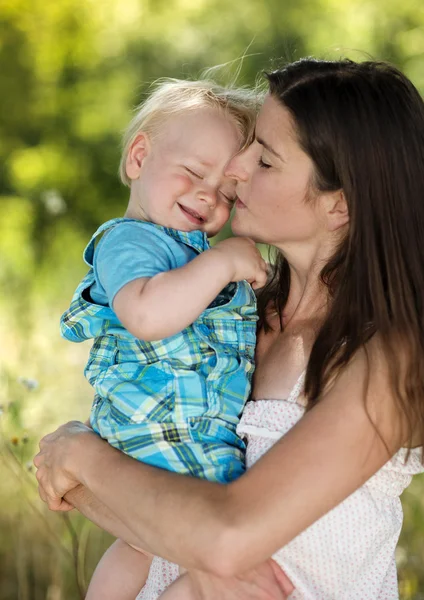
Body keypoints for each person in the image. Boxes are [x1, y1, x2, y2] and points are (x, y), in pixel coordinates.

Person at [34, 58, 424, 600]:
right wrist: (92, 477)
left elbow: (224, 538)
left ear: (339, 205)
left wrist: (80, 454)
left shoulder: (389, 358)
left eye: (264, 158)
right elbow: (85, 489)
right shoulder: (228, 319)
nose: (235, 168)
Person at [59, 78, 269, 600]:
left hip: (191, 437)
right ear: (138, 158)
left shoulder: (192, 256)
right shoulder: (128, 241)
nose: (207, 195)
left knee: (138, 550)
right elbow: (147, 314)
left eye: (227, 193)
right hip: (156, 433)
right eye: (195, 173)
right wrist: (223, 262)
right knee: (225, 569)